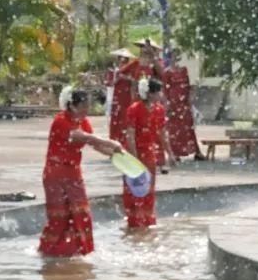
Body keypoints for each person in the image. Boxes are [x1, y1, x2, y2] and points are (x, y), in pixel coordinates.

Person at [40, 88, 123, 257]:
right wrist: (111, 142)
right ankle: (49, 251)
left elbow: (95, 145)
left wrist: (115, 155)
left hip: (73, 173)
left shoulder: (83, 121)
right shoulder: (60, 120)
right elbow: (84, 137)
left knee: (82, 214)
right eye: (84, 106)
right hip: (55, 175)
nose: (87, 110)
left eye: (88, 106)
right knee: (59, 217)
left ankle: (81, 250)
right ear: (72, 106)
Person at [123, 78, 177, 229]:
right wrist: (134, 159)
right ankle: (134, 223)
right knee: (135, 190)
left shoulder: (159, 110)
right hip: (135, 155)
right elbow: (130, 135)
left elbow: (162, 134)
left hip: (149, 155)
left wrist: (170, 153)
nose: (161, 94)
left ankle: (147, 222)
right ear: (149, 93)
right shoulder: (134, 109)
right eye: (158, 91)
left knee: (148, 189)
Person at [163, 50, 206, 161]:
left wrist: (190, 97)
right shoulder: (167, 72)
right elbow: (165, 89)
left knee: (188, 127)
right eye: (173, 56)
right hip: (173, 102)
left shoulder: (183, 70)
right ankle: (175, 153)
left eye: (177, 56)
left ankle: (196, 151)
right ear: (170, 58)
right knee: (174, 129)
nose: (175, 58)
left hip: (184, 102)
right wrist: (167, 104)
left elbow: (188, 85)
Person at [106, 48, 134, 145]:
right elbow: (109, 83)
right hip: (116, 97)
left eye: (125, 60)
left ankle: (125, 142)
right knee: (116, 118)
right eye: (121, 59)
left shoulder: (130, 70)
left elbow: (134, 81)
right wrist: (116, 78)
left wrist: (126, 77)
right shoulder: (113, 71)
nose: (123, 61)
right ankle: (114, 140)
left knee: (125, 118)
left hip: (126, 97)